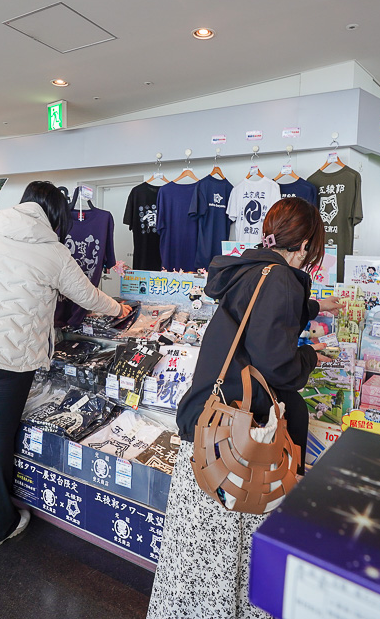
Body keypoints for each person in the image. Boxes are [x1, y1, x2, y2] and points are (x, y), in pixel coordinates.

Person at [148, 197, 343, 619]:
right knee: (231, 555)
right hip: (239, 441)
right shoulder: (282, 279)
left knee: (196, 559)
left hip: (206, 427)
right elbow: (278, 365)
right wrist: (310, 356)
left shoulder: (248, 270)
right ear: (306, 245)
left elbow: (256, 313)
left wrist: (311, 307)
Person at [0, 181, 132, 551]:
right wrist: (120, 310)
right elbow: (87, 295)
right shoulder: (53, 251)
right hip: (10, 356)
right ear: (56, 213)